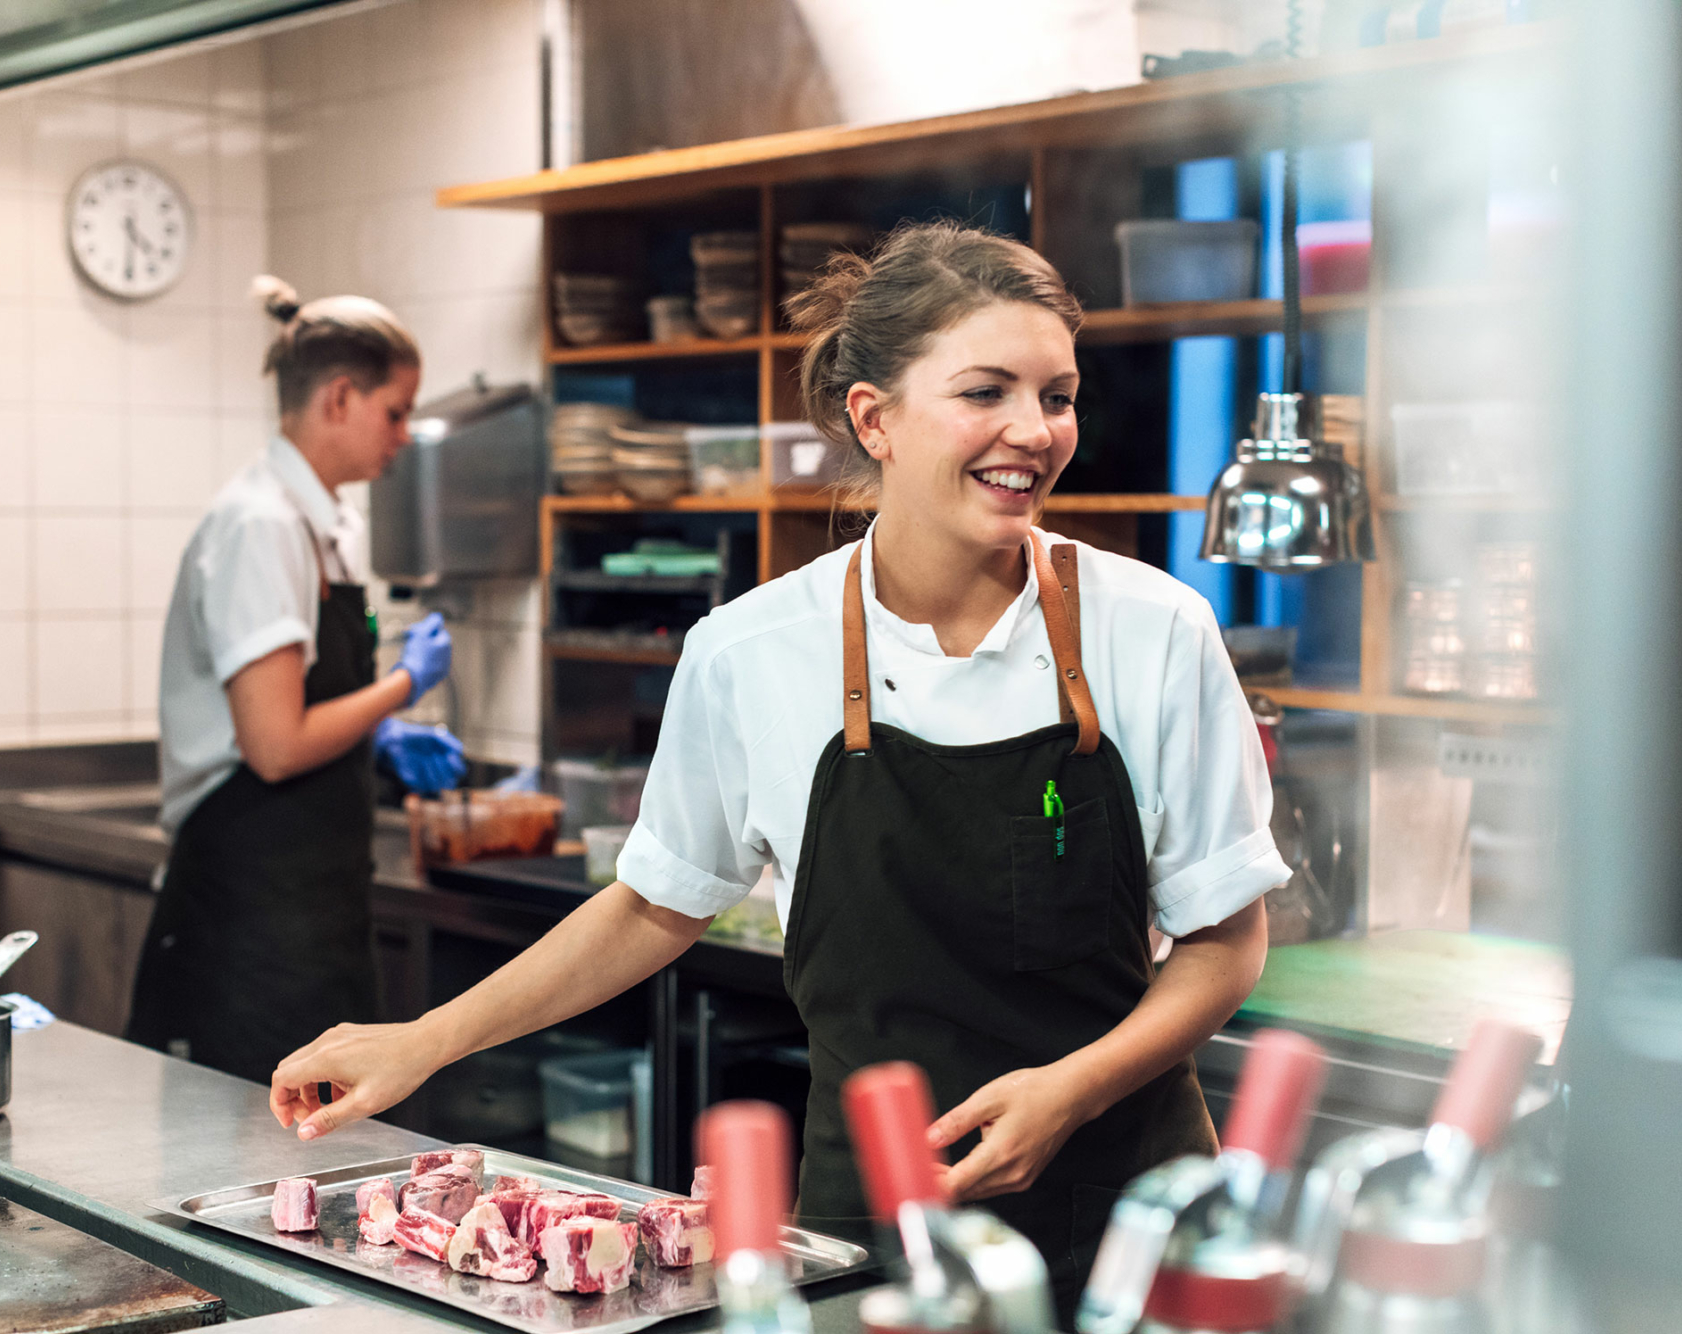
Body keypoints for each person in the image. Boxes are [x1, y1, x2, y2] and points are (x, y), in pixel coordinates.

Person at [267, 224, 1286, 1314]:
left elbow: (1226, 940)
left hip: (1129, 1218)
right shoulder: (753, 652)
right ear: (872, 417)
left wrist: (1069, 1091)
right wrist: (424, 1040)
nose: (1032, 431)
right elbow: (652, 905)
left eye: (1056, 394)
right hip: (876, 1223)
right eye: (985, 390)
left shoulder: (1153, 629)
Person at [127, 276, 468, 1084]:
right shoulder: (262, 525)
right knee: (253, 1155)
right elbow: (275, 744)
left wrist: (380, 741)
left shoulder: (322, 524)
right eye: (396, 411)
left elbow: (303, 707)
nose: (404, 434)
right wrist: (401, 688)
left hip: (309, 907)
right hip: (250, 916)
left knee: (320, 1156)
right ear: (341, 398)